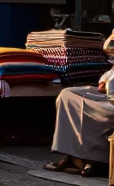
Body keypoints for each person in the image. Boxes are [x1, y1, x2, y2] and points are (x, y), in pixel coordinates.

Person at [47, 33, 114, 177]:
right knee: (67, 95)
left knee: (96, 109)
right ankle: (71, 155)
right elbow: (110, 71)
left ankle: (94, 160)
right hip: (109, 92)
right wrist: (105, 81)